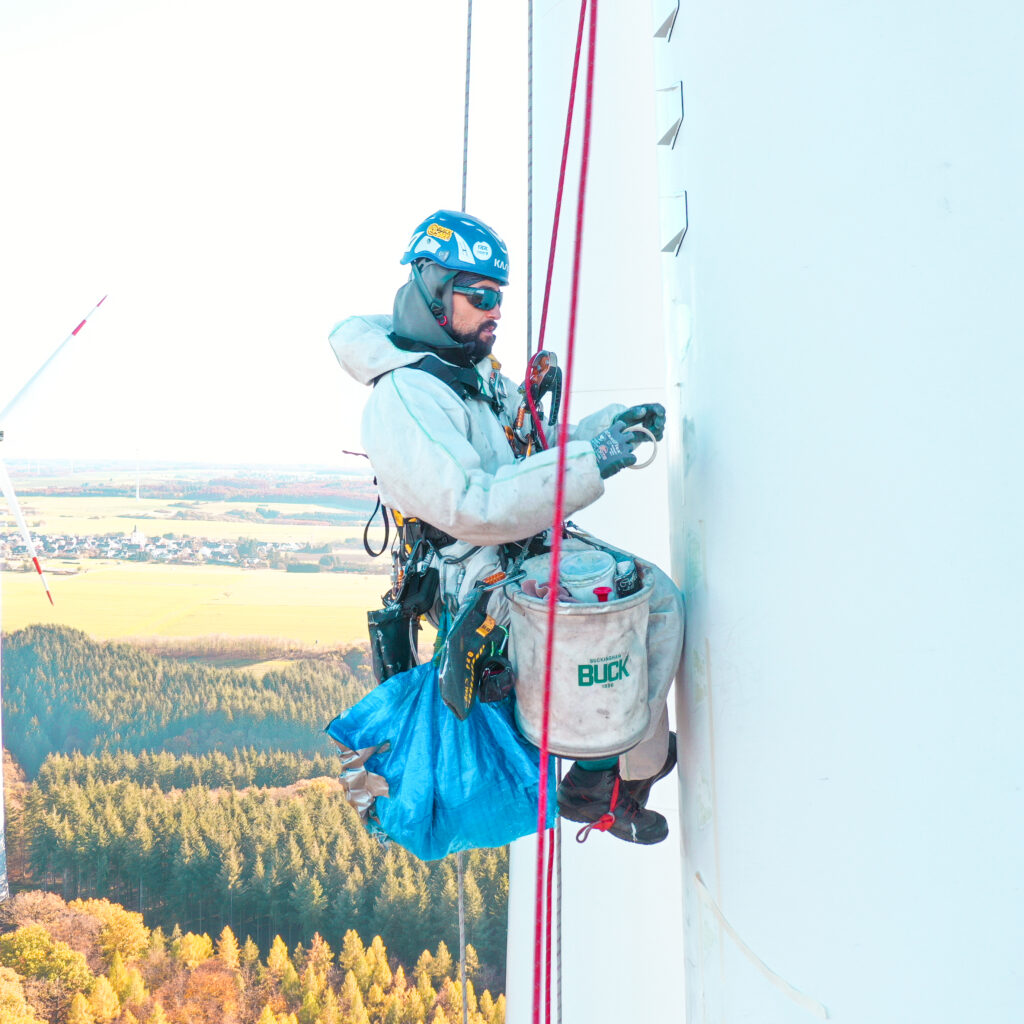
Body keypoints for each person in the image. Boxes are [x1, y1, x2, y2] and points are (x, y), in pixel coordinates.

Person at [329, 209, 684, 845]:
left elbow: (534, 449)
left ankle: (616, 772)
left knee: (653, 597)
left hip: (518, 548)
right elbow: (474, 505)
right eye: (482, 296)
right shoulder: (407, 398)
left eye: (500, 297)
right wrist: (589, 461)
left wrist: (605, 433)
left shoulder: (474, 374)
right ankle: (603, 776)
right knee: (619, 612)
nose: (496, 311)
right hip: (479, 570)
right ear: (433, 288)